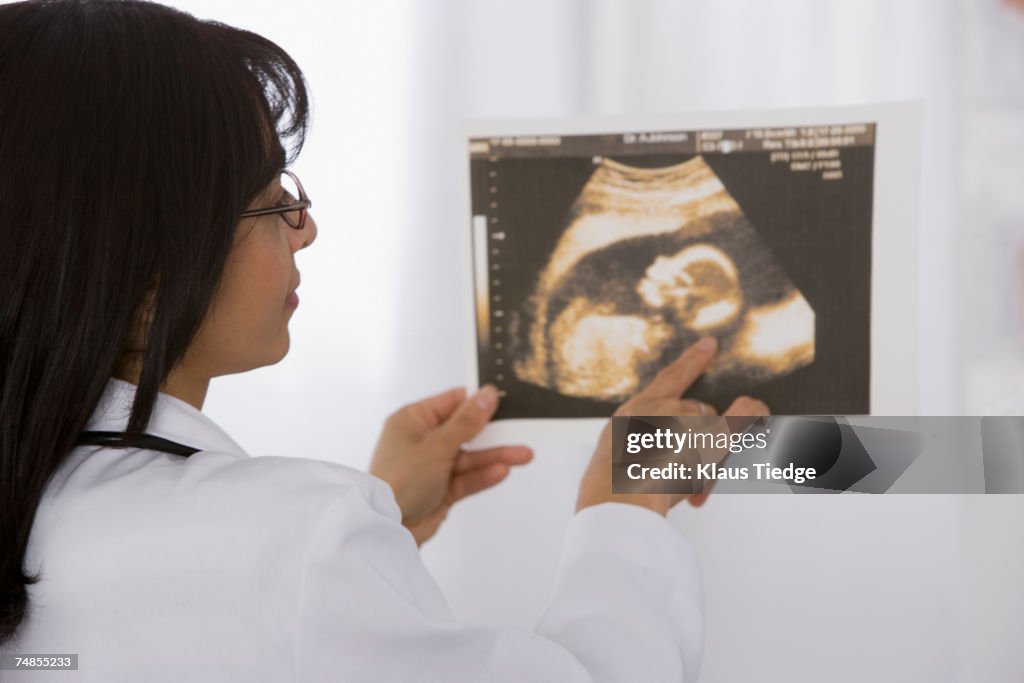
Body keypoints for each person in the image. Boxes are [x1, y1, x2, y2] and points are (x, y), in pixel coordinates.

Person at [0, 1, 769, 680]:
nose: (306, 228)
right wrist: (624, 504)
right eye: (271, 202)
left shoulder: (57, 509)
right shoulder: (291, 535)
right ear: (143, 273)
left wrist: (379, 526)